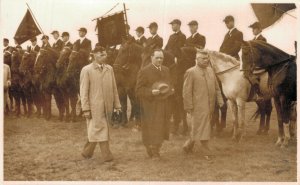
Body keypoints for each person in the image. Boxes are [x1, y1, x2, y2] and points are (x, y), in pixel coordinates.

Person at [80, 46, 121, 162]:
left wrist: (117, 105)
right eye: (101, 54)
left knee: (97, 129)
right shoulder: (87, 70)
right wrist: (86, 108)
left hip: (107, 106)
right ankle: (107, 155)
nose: (104, 56)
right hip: (94, 107)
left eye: (105, 54)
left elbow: (114, 88)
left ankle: (87, 152)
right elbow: (83, 91)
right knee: (99, 129)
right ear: (94, 55)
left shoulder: (110, 69)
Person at [182, 50, 224, 160]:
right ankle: (206, 152)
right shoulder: (191, 72)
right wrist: (188, 106)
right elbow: (186, 91)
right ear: (196, 59)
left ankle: (187, 146)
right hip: (197, 106)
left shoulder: (211, 71)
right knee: (203, 128)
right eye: (203, 59)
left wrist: (220, 101)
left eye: (207, 58)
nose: (206, 61)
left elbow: (217, 88)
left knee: (198, 127)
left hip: (210, 106)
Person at [136, 48, 174, 159]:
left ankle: (156, 147)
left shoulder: (166, 70)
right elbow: (138, 90)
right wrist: (151, 92)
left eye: (161, 58)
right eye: (157, 57)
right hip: (150, 105)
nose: (159, 60)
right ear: (151, 57)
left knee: (162, 127)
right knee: (152, 128)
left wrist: (171, 89)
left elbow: (169, 83)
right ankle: (152, 149)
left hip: (164, 104)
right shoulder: (144, 71)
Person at [165, 19, 186, 135]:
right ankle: (174, 123)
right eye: (172, 24)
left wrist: (174, 58)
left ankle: (180, 123)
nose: (172, 26)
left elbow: (181, 52)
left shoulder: (183, 37)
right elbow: (166, 48)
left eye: (173, 24)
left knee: (178, 98)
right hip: (170, 65)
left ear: (178, 25)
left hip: (178, 66)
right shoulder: (171, 36)